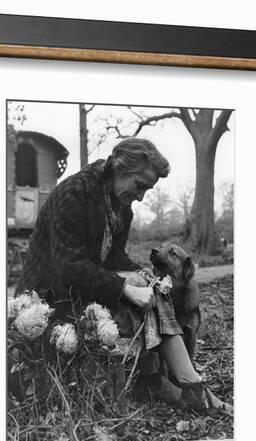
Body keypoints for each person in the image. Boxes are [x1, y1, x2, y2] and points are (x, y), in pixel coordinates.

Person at [16, 138, 230, 414]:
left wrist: (143, 277)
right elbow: (68, 266)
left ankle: (185, 385)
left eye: (147, 190)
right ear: (119, 168)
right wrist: (126, 288)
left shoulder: (120, 207)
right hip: (47, 298)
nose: (140, 197)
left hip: (83, 287)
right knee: (137, 292)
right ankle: (163, 383)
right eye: (139, 186)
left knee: (153, 290)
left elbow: (114, 260)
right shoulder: (74, 194)